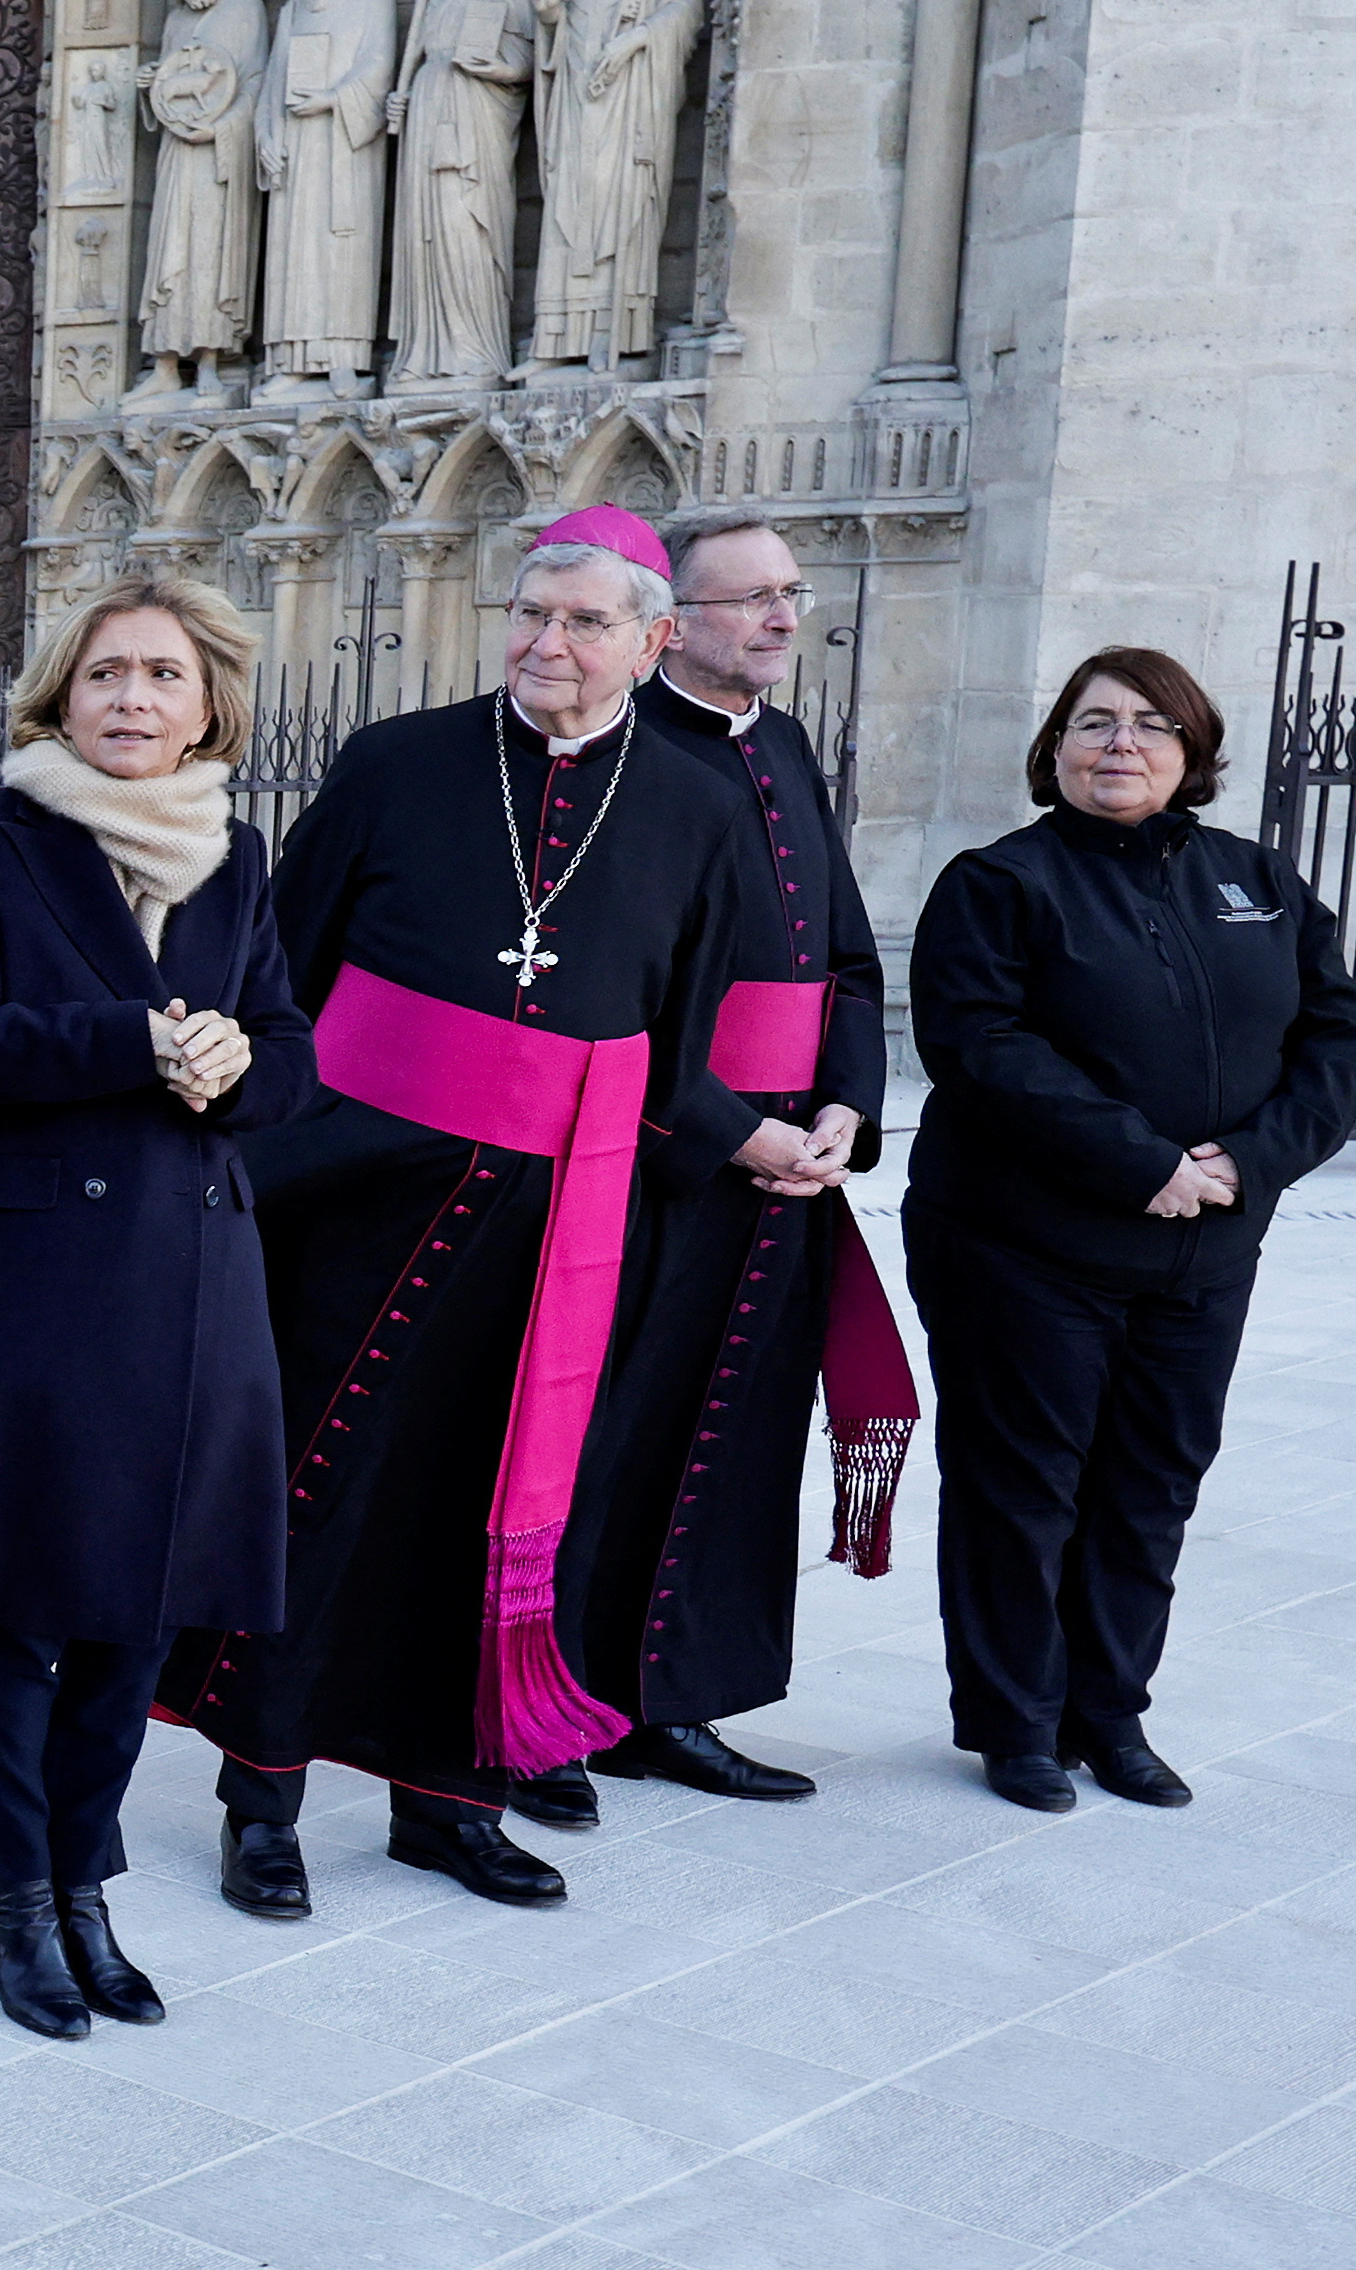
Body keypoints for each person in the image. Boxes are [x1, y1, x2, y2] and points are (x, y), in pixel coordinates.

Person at [162, 506, 760, 1915]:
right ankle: (265, 1791)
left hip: (551, 1225)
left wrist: (719, 1167)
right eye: (529, 613)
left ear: (654, 640)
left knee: (490, 1510)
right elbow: (282, 970)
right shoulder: (397, 763)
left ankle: (450, 1802)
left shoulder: (698, 805)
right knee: (317, 1488)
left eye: (585, 621)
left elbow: (680, 1041)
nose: (547, 642)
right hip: (352, 1195)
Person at [0, 575, 313, 2036]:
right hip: (32, 1284)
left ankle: (87, 1880)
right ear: (56, 697)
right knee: (22, 1610)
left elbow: (291, 1050)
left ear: (211, 706)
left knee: (141, 1613)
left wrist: (235, 1070)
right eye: (105, 675)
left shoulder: (236, 856)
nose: (133, 699)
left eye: (163, 676)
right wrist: (133, 1043)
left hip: (195, 1280)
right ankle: (16, 1895)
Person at [905, 648, 1356, 1810]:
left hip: (1205, 1251)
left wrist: (1248, 1161)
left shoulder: (1255, 878)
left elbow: (1339, 1033)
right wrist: (1142, 1163)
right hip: (1025, 1251)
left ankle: (1108, 1714)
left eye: (1151, 725)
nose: (1120, 744)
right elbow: (980, 1047)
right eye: (1094, 722)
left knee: (1151, 1483)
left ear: (1193, 751)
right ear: (1053, 747)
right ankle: (1016, 1722)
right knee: (1024, 1488)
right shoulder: (999, 882)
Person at [539, 506, 911, 1819]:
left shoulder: (791, 747)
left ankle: (670, 1700)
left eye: (790, 593)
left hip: (791, 1160)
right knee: (605, 1439)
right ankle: (551, 1712)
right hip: (651, 1162)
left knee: (736, 1439)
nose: (779, 616)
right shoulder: (614, 759)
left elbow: (849, 963)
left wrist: (845, 1113)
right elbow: (595, 998)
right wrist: (727, 1127)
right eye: (747, 595)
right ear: (666, 622)